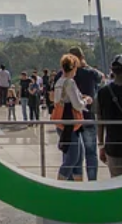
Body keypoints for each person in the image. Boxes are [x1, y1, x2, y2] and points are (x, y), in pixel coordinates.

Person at [66, 46, 104, 181]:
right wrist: (86, 65)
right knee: (90, 153)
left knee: (72, 154)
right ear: (82, 57)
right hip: (88, 116)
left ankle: (72, 181)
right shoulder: (90, 73)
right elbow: (101, 77)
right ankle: (92, 181)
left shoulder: (64, 75)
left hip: (70, 118)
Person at [54, 54, 90, 182]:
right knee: (74, 158)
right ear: (74, 67)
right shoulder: (70, 82)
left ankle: (75, 184)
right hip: (71, 122)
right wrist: (86, 101)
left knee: (77, 156)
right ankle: (61, 184)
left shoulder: (59, 82)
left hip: (62, 122)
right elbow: (77, 104)